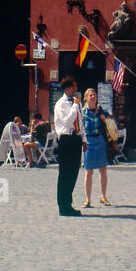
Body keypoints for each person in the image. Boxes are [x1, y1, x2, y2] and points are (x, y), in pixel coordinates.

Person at [53, 77, 82, 216]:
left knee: (73, 173)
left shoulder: (76, 103)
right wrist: (75, 106)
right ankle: (63, 205)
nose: (76, 89)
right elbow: (66, 122)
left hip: (76, 138)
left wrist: (84, 139)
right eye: (73, 87)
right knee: (65, 173)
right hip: (65, 139)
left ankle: (68, 202)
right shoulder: (61, 104)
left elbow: (80, 121)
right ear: (67, 88)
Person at [80, 88, 111, 208]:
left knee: (103, 170)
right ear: (86, 98)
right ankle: (87, 200)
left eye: (94, 95)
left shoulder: (101, 111)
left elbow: (111, 122)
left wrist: (105, 119)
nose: (93, 97)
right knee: (88, 172)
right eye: (90, 95)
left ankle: (103, 196)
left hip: (100, 141)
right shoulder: (83, 112)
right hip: (89, 142)